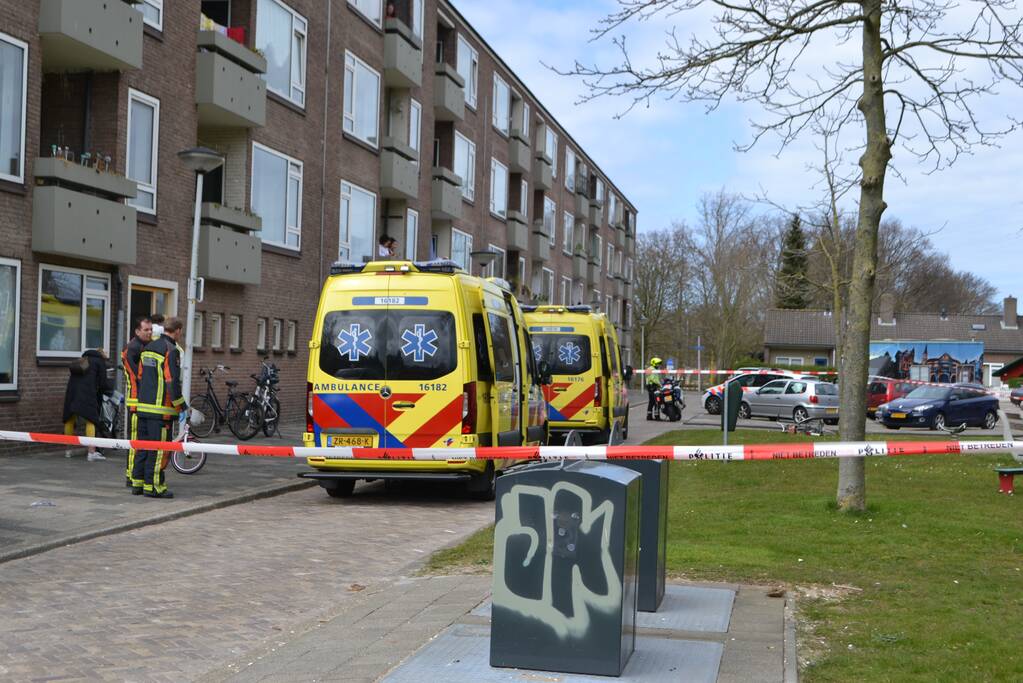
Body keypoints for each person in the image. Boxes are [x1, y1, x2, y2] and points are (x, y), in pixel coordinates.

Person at [132, 317, 186, 499]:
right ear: (177, 331)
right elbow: (172, 382)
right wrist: (181, 406)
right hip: (160, 411)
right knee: (159, 450)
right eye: (181, 331)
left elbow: (140, 377)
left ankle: (138, 484)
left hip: (143, 408)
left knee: (143, 448)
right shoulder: (171, 350)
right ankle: (154, 487)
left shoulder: (147, 348)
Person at [62, 348, 112, 461]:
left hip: (72, 392)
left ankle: (68, 450)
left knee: (70, 418)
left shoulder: (83, 359)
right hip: (87, 393)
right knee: (91, 419)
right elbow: (103, 382)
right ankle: (91, 452)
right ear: (102, 355)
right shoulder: (99, 362)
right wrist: (108, 391)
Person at [121, 316, 153, 486]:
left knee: (140, 439)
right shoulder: (133, 348)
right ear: (137, 331)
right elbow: (140, 376)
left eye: (150, 330)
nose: (149, 333)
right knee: (135, 440)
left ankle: (135, 474)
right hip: (135, 399)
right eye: (146, 330)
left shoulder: (144, 346)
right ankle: (131, 476)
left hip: (143, 399)